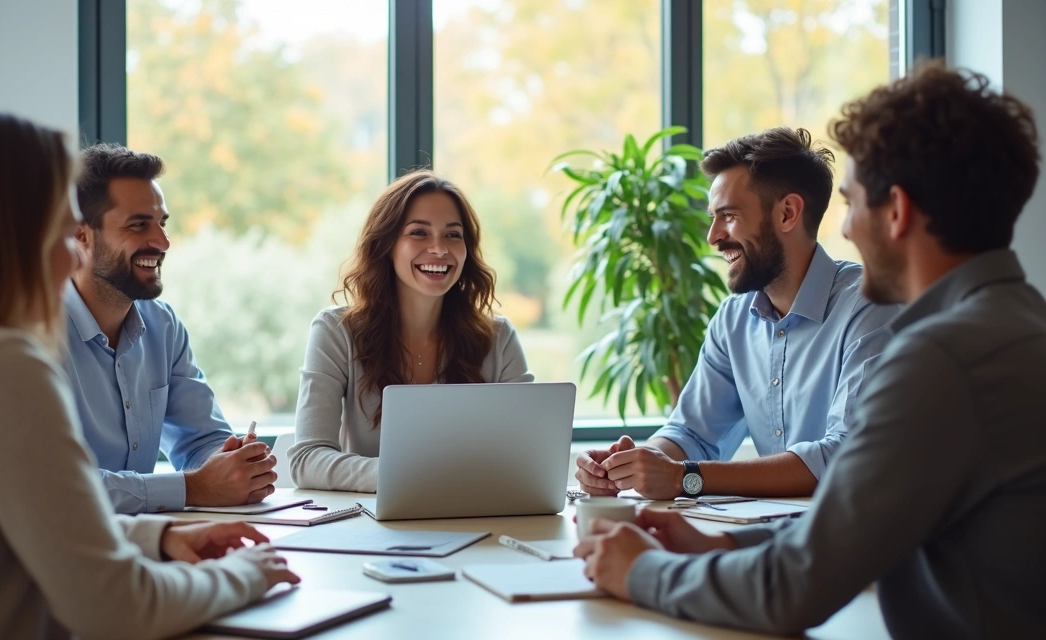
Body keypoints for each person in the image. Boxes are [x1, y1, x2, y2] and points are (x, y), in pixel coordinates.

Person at [575, 62, 1046, 638]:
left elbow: (791, 591)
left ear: (896, 211)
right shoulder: (1015, 326)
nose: (844, 229)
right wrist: (725, 540)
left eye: (850, 203)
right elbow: (870, 519)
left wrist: (644, 572)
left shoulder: (941, 361)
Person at [0, 109, 299, 639]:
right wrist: (245, 574)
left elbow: (4, 526)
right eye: (59, 233)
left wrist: (153, 538)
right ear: (4, 236)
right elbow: (117, 608)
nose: (66, 259)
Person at [575, 127, 898, 499]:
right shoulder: (733, 319)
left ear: (788, 213)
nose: (713, 236)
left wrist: (684, 477)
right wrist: (629, 465)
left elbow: (844, 455)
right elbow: (690, 434)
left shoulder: (870, 306)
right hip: (775, 535)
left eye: (728, 215)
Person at [289, 170, 534, 492]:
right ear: (386, 244)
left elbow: (533, 453)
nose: (439, 249)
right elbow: (306, 459)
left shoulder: (498, 338)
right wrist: (407, 476)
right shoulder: (336, 332)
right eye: (419, 233)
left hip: (476, 521)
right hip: (373, 528)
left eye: (453, 235)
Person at [66, 143, 275, 514]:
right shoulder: (32, 335)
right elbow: (57, 485)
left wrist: (233, 465)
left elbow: (201, 441)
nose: (162, 243)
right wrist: (194, 487)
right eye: (138, 224)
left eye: (161, 223)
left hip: (147, 544)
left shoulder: (163, 326)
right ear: (82, 235)